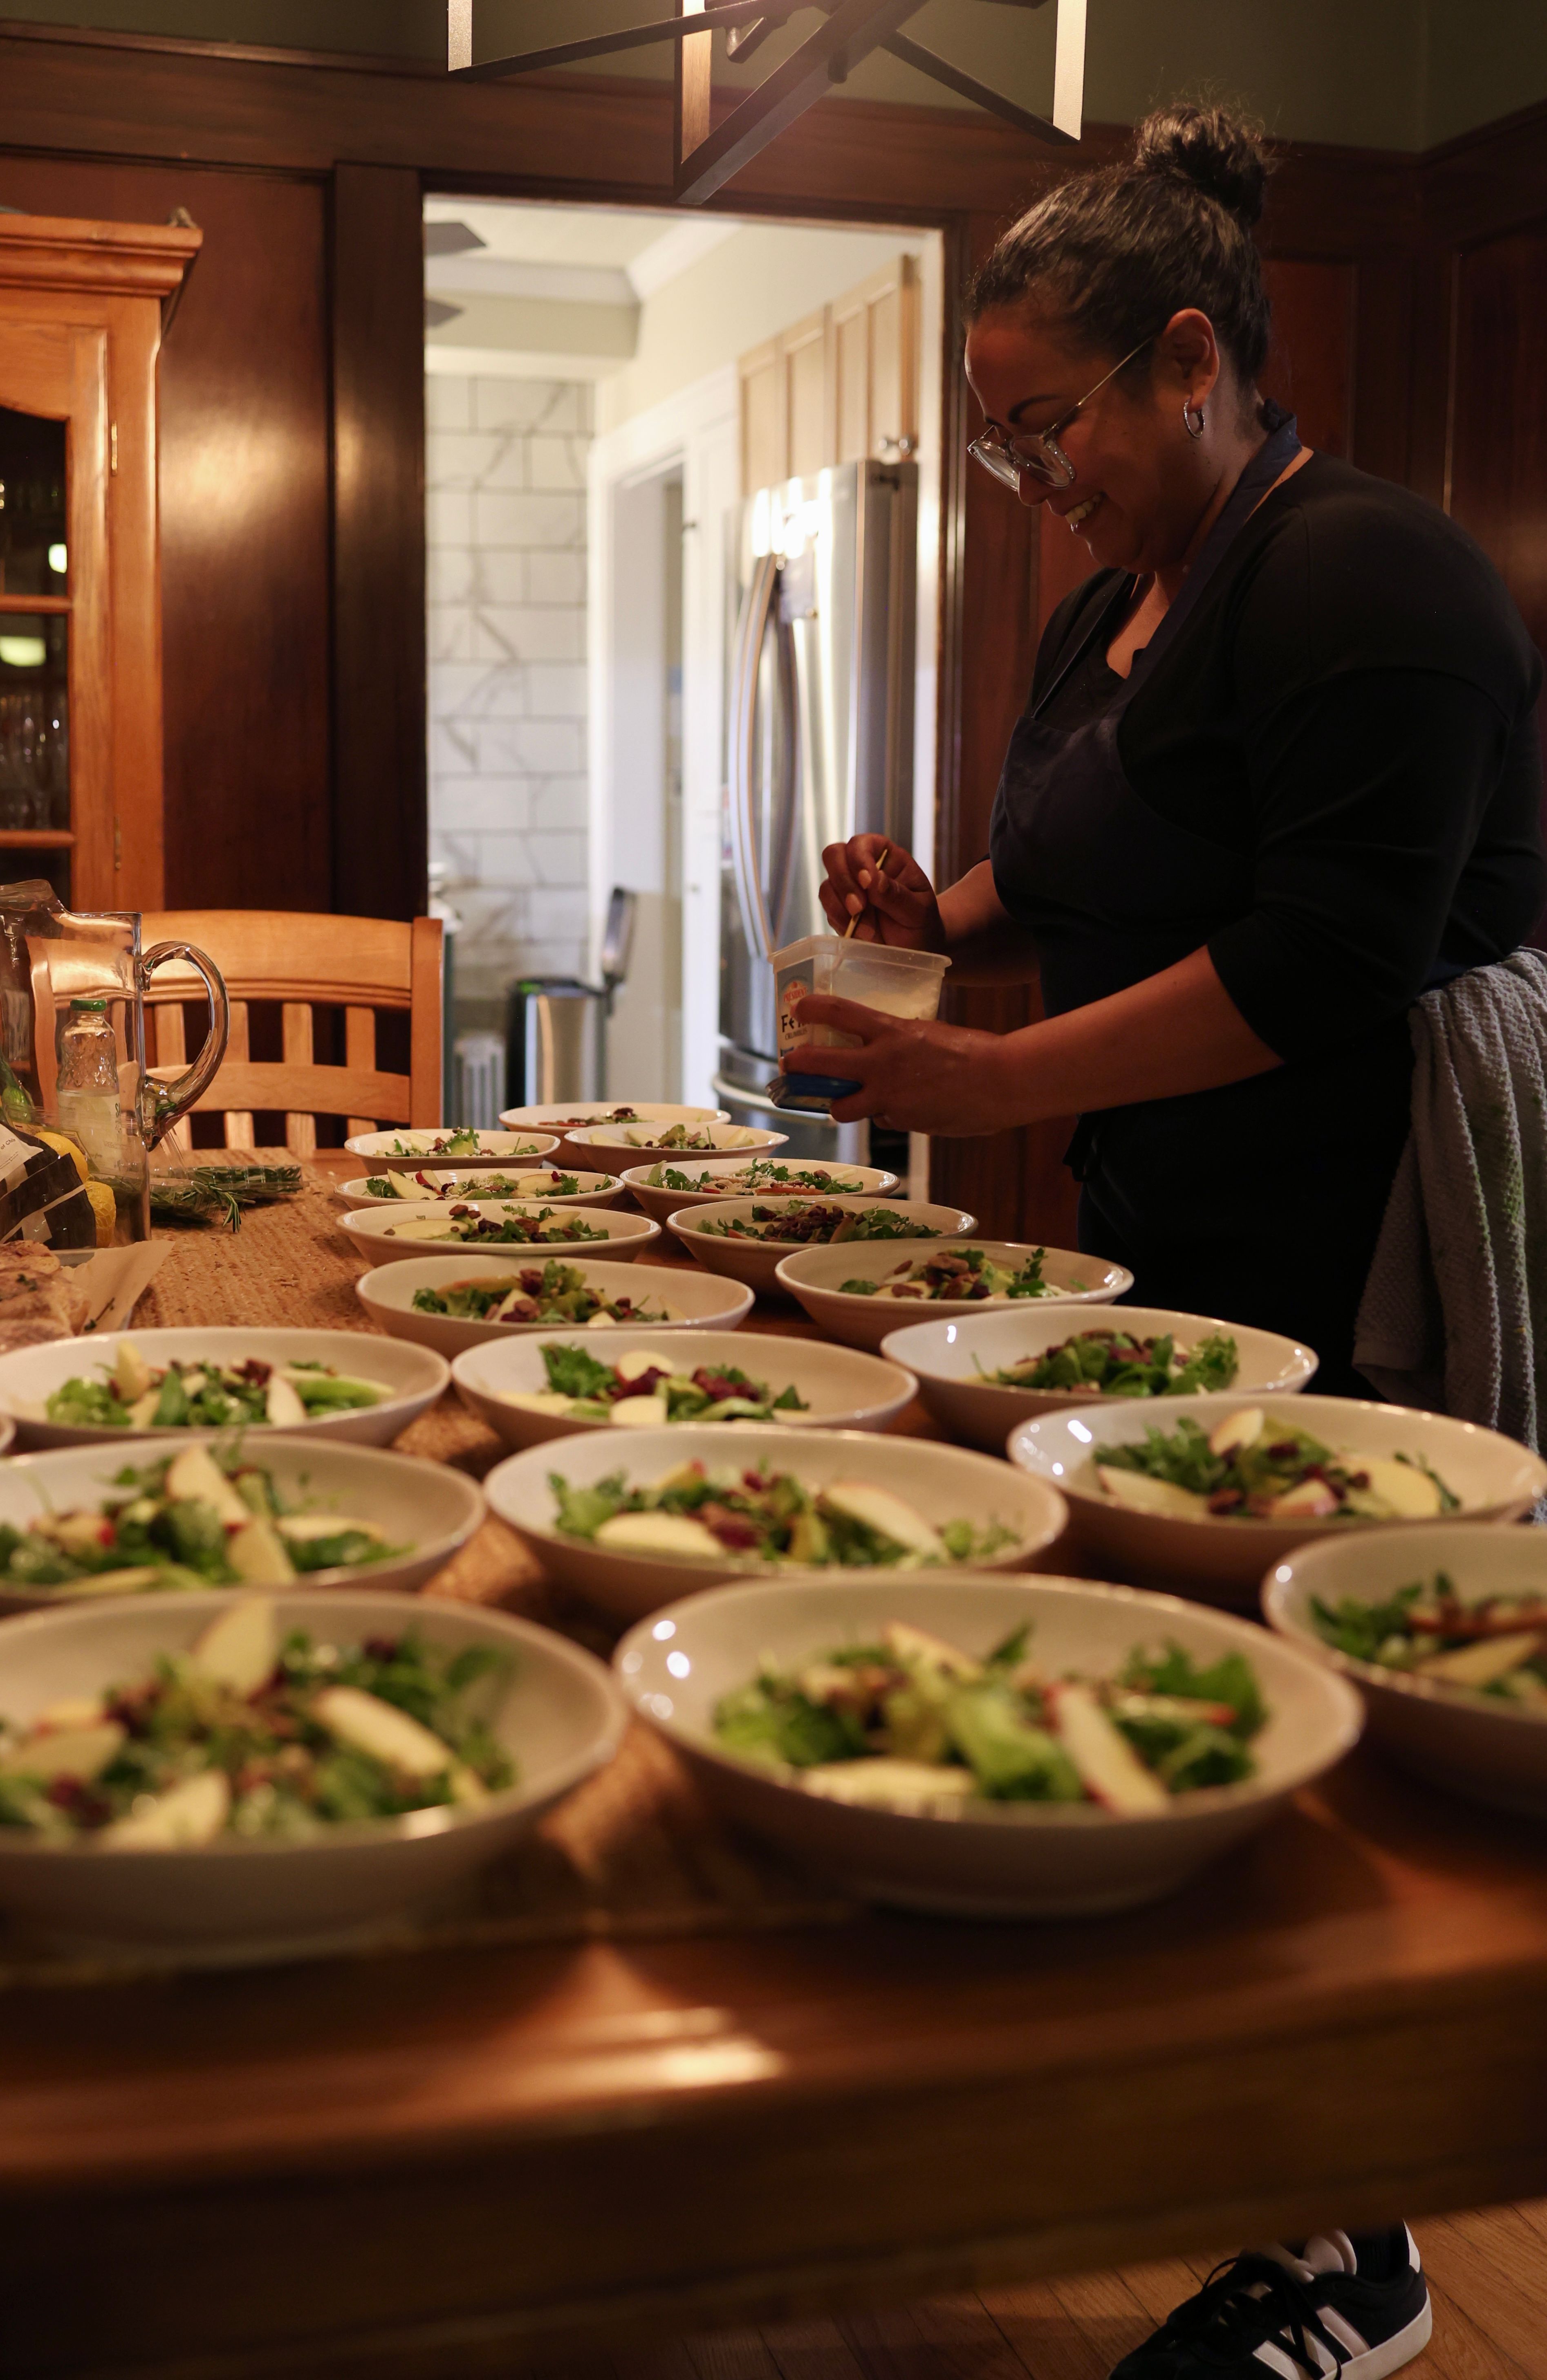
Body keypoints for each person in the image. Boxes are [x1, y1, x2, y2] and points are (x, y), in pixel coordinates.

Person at [782, 101, 1547, 2378]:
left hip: (1371, 1221)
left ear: (1191, 359)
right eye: (1004, 440)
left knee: (1330, 1706)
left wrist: (994, 1082)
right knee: (1186, 1670)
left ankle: (1359, 2255)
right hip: (1177, 1215)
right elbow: (1080, 878)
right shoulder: (1120, 603)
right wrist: (937, 925)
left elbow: (1324, 959)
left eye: (1049, 428)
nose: (1035, 479)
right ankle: (1208, 2152)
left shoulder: (1375, 581)